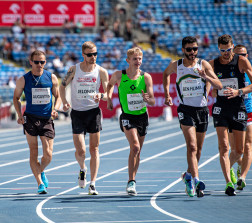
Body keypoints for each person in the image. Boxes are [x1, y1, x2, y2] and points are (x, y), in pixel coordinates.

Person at [163, 36, 222, 197]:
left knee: (199, 150)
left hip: (202, 110)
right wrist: (168, 94)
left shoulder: (204, 65)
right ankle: (196, 180)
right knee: (192, 146)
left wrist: (205, 76)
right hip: (185, 110)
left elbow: (219, 85)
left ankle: (187, 176)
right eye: (189, 49)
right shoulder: (177, 65)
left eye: (195, 49)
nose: (192, 52)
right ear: (183, 50)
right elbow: (165, 74)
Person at [59, 41, 109, 195]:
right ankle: (82, 168)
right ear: (83, 55)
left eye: (95, 54)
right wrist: (65, 102)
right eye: (89, 54)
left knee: (94, 149)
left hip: (93, 112)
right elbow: (62, 85)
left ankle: (93, 184)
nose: (93, 57)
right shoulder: (74, 70)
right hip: (77, 113)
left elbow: (107, 95)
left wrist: (100, 95)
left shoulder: (101, 71)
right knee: (81, 151)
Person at [107, 47, 155, 196]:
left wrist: (148, 99)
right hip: (127, 116)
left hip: (142, 117)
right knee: (134, 147)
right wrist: (109, 99)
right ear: (128, 60)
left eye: (140, 58)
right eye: (135, 59)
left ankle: (133, 179)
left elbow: (152, 100)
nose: (138, 61)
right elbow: (109, 85)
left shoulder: (146, 77)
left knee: (138, 151)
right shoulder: (119, 75)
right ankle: (131, 181)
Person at [13, 50, 61, 194]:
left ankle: (40, 171)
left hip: (46, 118)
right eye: (37, 62)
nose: (40, 65)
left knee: (48, 154)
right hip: (30, 118)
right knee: (33, 151)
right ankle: (40, 183)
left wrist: (55, 109)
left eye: (42, 62)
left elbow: (57, 97)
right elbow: (16, 98)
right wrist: (19, 114)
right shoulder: (23, 79)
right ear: (31, 62)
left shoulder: (51, 77)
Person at [209, 34, 252, 196]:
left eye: (228, 50)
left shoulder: (241, 61)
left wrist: (238, 91)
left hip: (238, 107)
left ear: (232, 47)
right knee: (224, 147)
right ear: (218, 49)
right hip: (221, 108)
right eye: (222, 50)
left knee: (239, 149)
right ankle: (228, 183)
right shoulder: (213, 64)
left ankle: (232, 171)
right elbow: (210, 87)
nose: (225, 53)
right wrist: (213, 90)